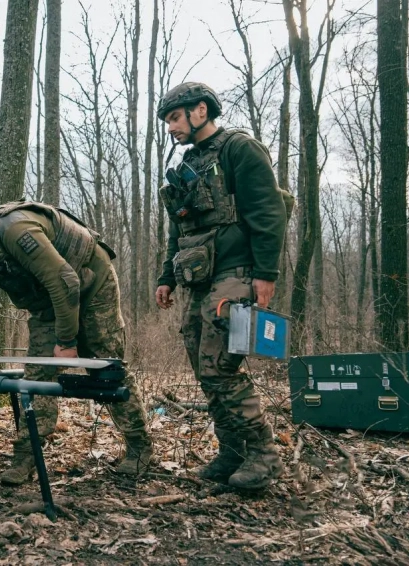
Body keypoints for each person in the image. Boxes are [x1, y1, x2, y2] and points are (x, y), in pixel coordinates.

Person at [0, 187, 153, 485]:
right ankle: (26, 456)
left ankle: (140, 447)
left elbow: (66, 281)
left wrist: (67, 341)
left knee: (107, 368)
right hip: (48, 302)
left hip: (91, 285)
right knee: (38, 377)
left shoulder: (15, 229)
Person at [154, 82, 288, 489]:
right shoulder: (190, 165)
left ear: (200, 111)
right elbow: (179, 230)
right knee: (200, 361)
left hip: (238, 271)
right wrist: (165, 277)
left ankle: (264, 454)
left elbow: (269, 213)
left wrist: (266, 274)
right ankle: (232, 451)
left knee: (219, 365)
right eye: (167, 121)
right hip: (199, 278)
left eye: (175, 118)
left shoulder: (239, 149)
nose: (171, 128)